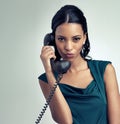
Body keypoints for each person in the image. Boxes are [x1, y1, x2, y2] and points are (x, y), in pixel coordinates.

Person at [38, 5, 120, 124]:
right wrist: (50, 72)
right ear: (52, 40)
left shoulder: (105, 70)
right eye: (61, 39)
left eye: (75, 39)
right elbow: (66, 121)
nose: (68, 47)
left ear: (84, 38)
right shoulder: (46, 80)